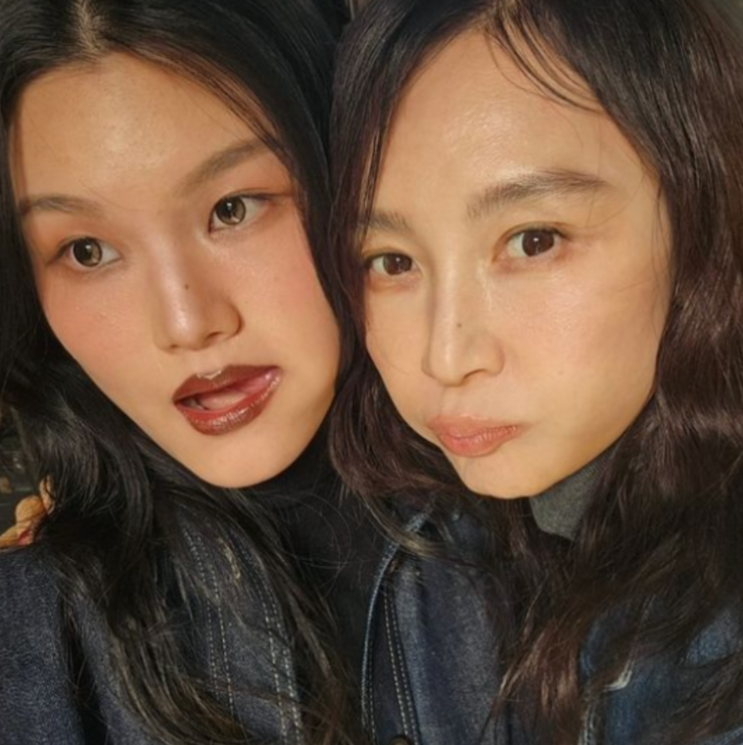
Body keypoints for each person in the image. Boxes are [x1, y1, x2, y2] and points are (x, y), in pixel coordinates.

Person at [328, 0, 743, 743]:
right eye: (391, 261)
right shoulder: (411, 532)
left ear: (699, 216)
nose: (446, 356)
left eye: (533, 240)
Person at [0, 0, 357, 743]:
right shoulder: (31, 642)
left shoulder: (557, 545)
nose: (187, 323)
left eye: (233, 208)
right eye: (88, 252)